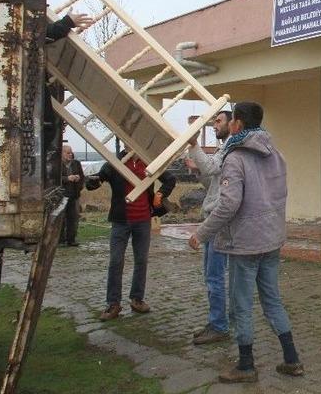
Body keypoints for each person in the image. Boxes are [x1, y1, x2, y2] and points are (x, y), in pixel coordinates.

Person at [188, 102, 304, 383]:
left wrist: (201, 233)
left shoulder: (235, 158)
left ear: (237, 123)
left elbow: (228, 205)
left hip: (245, 243)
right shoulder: (276, 154)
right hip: (271, 239)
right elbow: (280, 195)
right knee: (272, 301)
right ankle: (292, 359)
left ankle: (246, 365)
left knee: (241, 304)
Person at [86, 148, 176, 321]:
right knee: (116, 261)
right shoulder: (115, 163)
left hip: (143, 220)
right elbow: (95, 181)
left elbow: (170, 179)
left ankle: (137, 299)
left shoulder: (149, 161)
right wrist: (93, 181)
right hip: (121, 221)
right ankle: (113, 304)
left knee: (141, 260)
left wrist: (161, 193)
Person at [184, 111, 233, 345]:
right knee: (210, 274)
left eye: (218, 121)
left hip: (217, 221)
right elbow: (212, 181)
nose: (214, 125)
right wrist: (197, 169)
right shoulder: (225, 148)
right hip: (213, 218)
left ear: (232, 123)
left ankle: (220, 326)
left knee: (215, 276)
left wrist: (194, 145)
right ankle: (216, 321)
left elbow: (212, 168)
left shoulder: (231, 148)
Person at [60, 144, 84, 247]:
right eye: (68, 153)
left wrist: (78, 179)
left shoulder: (76, 163)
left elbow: (82, 177)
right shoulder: (56, 164)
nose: (70, 155)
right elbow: (53, 179)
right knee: (60, 218)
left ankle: (71, 240)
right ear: (62, 153)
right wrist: (67, 178)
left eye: (71, 153)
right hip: (60, 196)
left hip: (73, 195)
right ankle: (60, 240)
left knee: (72, 218)